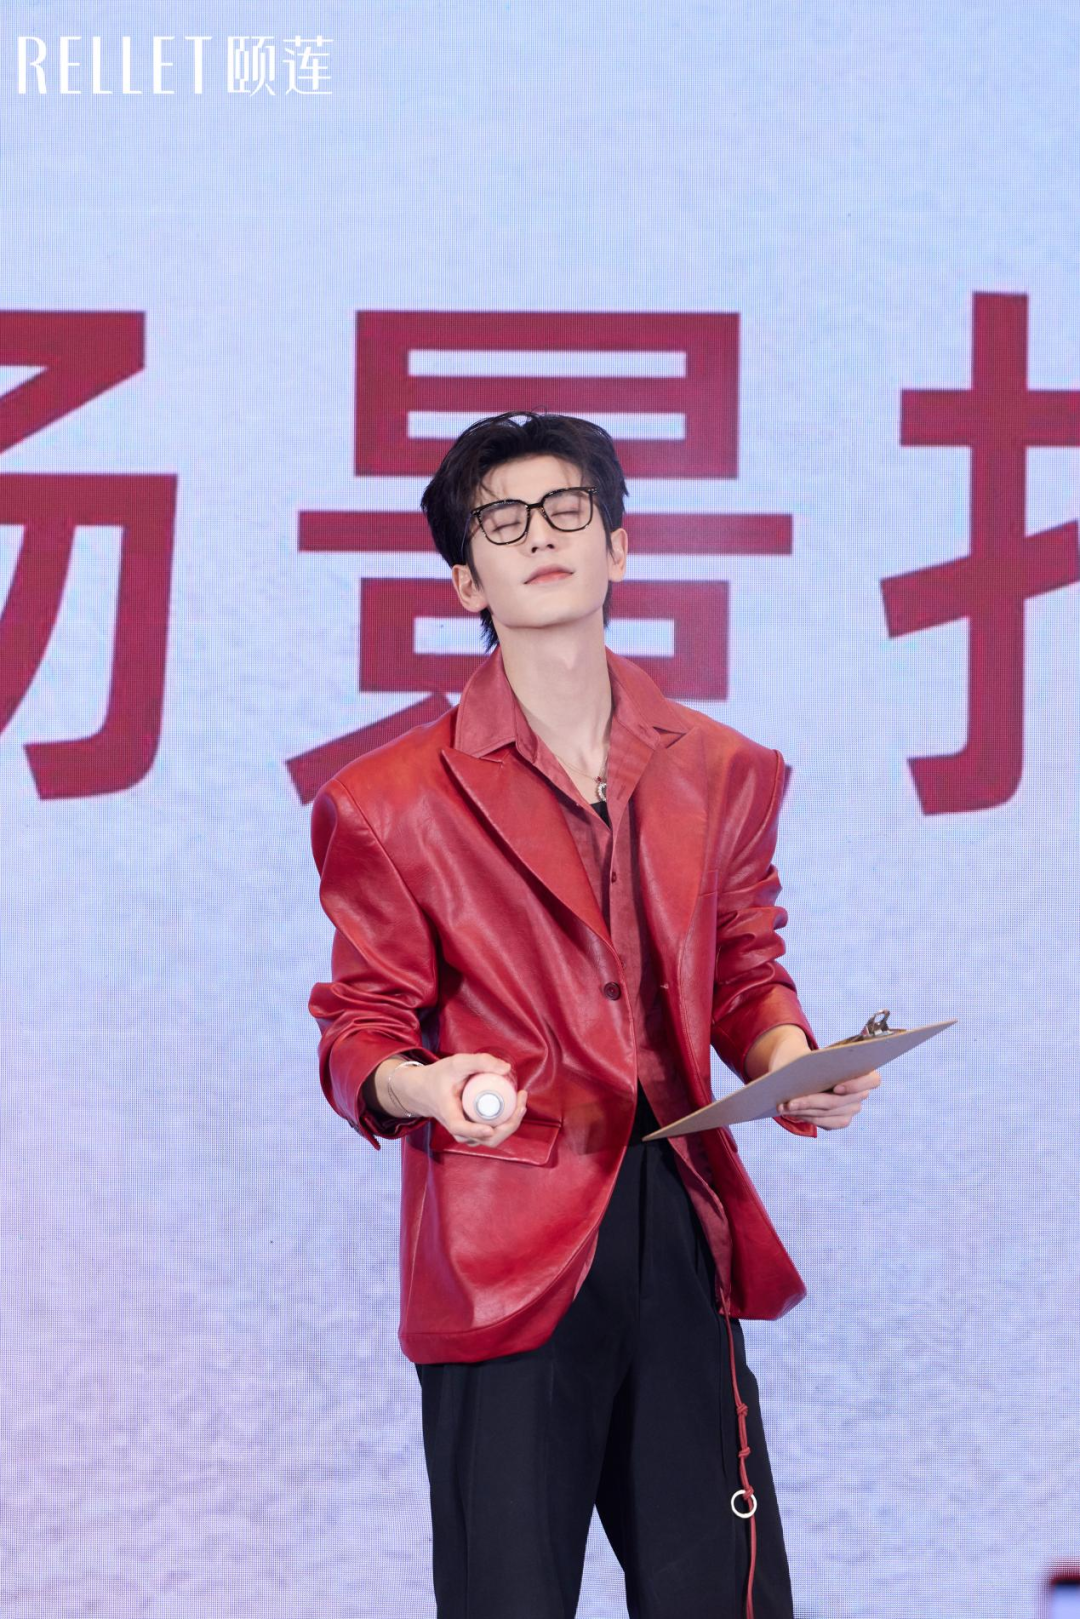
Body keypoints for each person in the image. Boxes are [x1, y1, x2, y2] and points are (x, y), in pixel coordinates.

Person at [308, 410, 881, 1619]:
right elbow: (360, 1025)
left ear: (618, 544)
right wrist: (429, 1084)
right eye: (502, 520)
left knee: (726, 1595)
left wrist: (793, 1060)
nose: (540, 535)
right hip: (502, 1240)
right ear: (467, 578)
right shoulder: (386, 801)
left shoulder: (724, 768)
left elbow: (745, 970)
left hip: (679, 1211)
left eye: (567, 508)